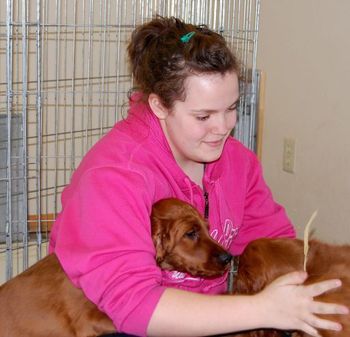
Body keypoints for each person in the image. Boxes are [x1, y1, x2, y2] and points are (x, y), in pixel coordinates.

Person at [49, 16, 348, 337]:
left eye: (231, 108)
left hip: (213, 317)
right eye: (203, 116)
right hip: (118, 326)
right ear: (159, 105)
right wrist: (264, 309)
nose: (223, 127)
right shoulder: (115, 174)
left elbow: (276, 247)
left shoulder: (237, 162)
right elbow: (135, 309)